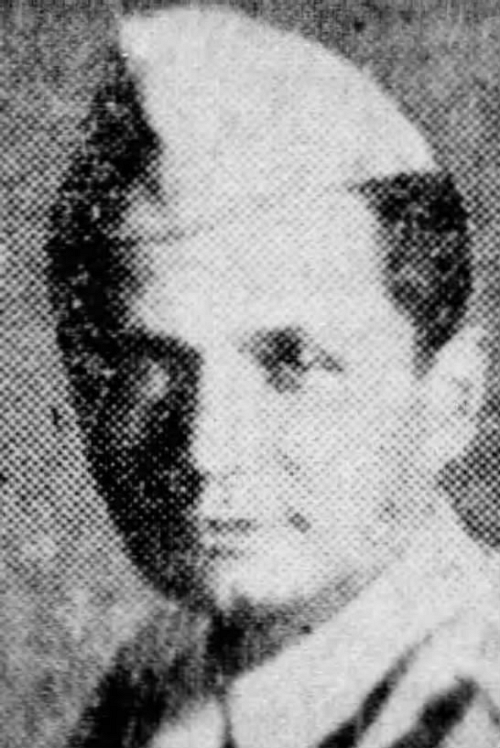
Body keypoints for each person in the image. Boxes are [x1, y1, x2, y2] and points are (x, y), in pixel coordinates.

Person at [45, 5, 500, 747]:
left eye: (293, 364)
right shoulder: (158, 682)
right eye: (145, 370)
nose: (205, 450)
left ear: (450, 403)